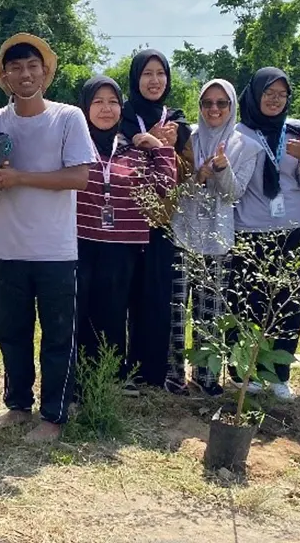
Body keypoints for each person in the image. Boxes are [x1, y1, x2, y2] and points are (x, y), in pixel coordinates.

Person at [0, 33, 94, 443]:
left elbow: (80, 177)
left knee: (59, 333)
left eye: (32, 67)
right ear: (5, 77)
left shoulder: (68, 118)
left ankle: (54, 415)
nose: (25, 75)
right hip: (9, 245)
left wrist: (20, 177)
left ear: (45, 72)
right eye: (16, 68)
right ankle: (17, 404)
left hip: (56, 249)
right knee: (11, 329)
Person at [74, 74, 175, 395]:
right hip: (78, 244)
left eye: (113, 102)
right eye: (98, 102)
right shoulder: (73, 148)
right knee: (79, 311)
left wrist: (158, 147)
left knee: (113, 314)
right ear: (85, 108)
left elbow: (164, 187)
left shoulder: (133, 151)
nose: (106, 109)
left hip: (122, 249)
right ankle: (76, 381)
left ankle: (111, 379)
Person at [232, 67, 300, 400]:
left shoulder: (298, 131)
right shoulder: (239, 132)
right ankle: (247, 371)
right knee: (249, 304)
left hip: (296, 230)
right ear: (255, 95)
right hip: (251, 231)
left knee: (288, 304)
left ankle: (279, 375)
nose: (274, 100)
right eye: (268, 93)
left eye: (281, 94)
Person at [170, 79, 253, 396]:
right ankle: (175, 373)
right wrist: (200, 175)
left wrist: (222, 169)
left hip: (219, 239)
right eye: (207, 103)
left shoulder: (245, 145)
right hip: (182, 233)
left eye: (222, 103)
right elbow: (175, 193)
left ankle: (206, 376)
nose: (214, 109)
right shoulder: (186, 138)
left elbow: (234, 193)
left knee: (211, 311)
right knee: (176, 308)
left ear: (232, 107)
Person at [117, 49, 193, 391]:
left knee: (156, 297)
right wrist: (140, 144)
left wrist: (171, 149)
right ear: (136, 78)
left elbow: (187, 175)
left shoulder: (177, 122)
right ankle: (122, 371)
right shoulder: (122, 115)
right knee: (123, 297)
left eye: (160, 73)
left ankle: (153, 372)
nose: (154, 80)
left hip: (162, 224)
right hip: (124, 221)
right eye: (147, 73)